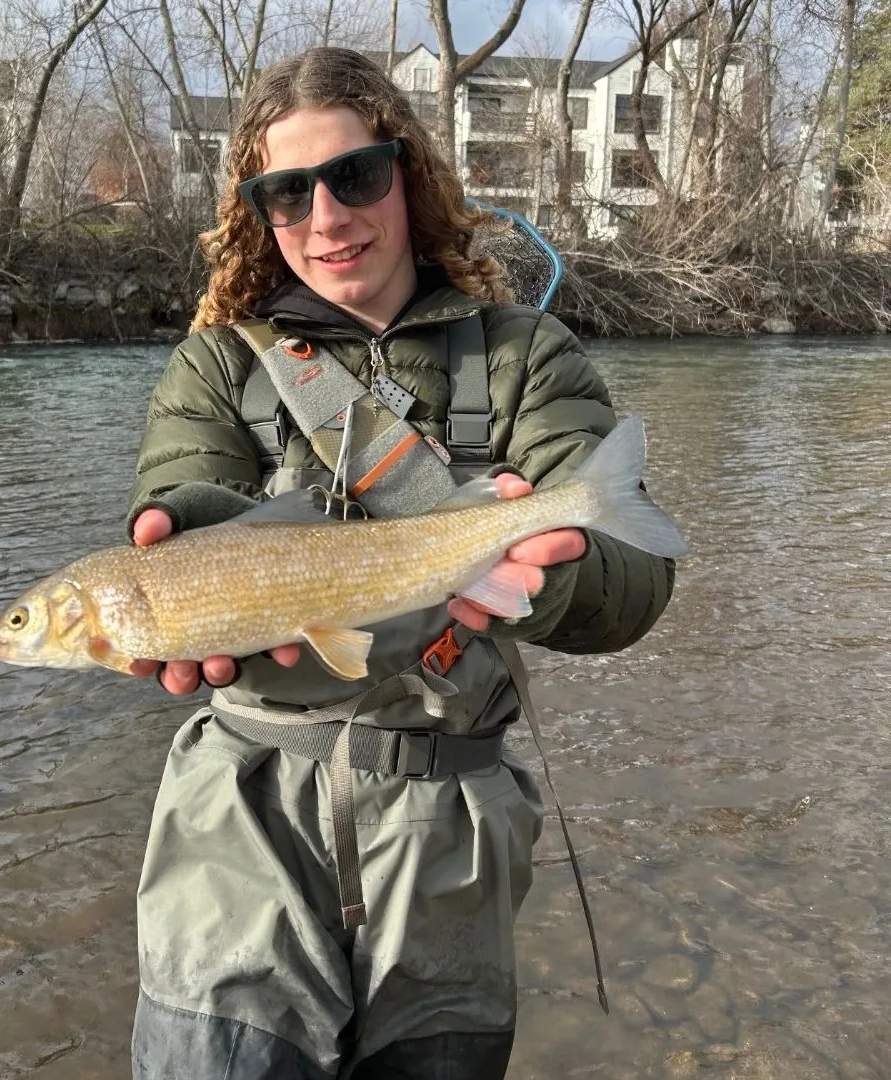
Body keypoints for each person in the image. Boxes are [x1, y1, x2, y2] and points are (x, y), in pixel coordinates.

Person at [125, 46, 675, 1080]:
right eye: (288, 192)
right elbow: (186, 491)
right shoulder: (218, 364)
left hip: (448, 829)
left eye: (355, 176)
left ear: (408, 174)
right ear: (260, 212)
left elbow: (634, 590)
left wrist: (550, 573)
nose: (326, 217)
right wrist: (187, 527)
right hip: (241, 820)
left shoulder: (525, 355)